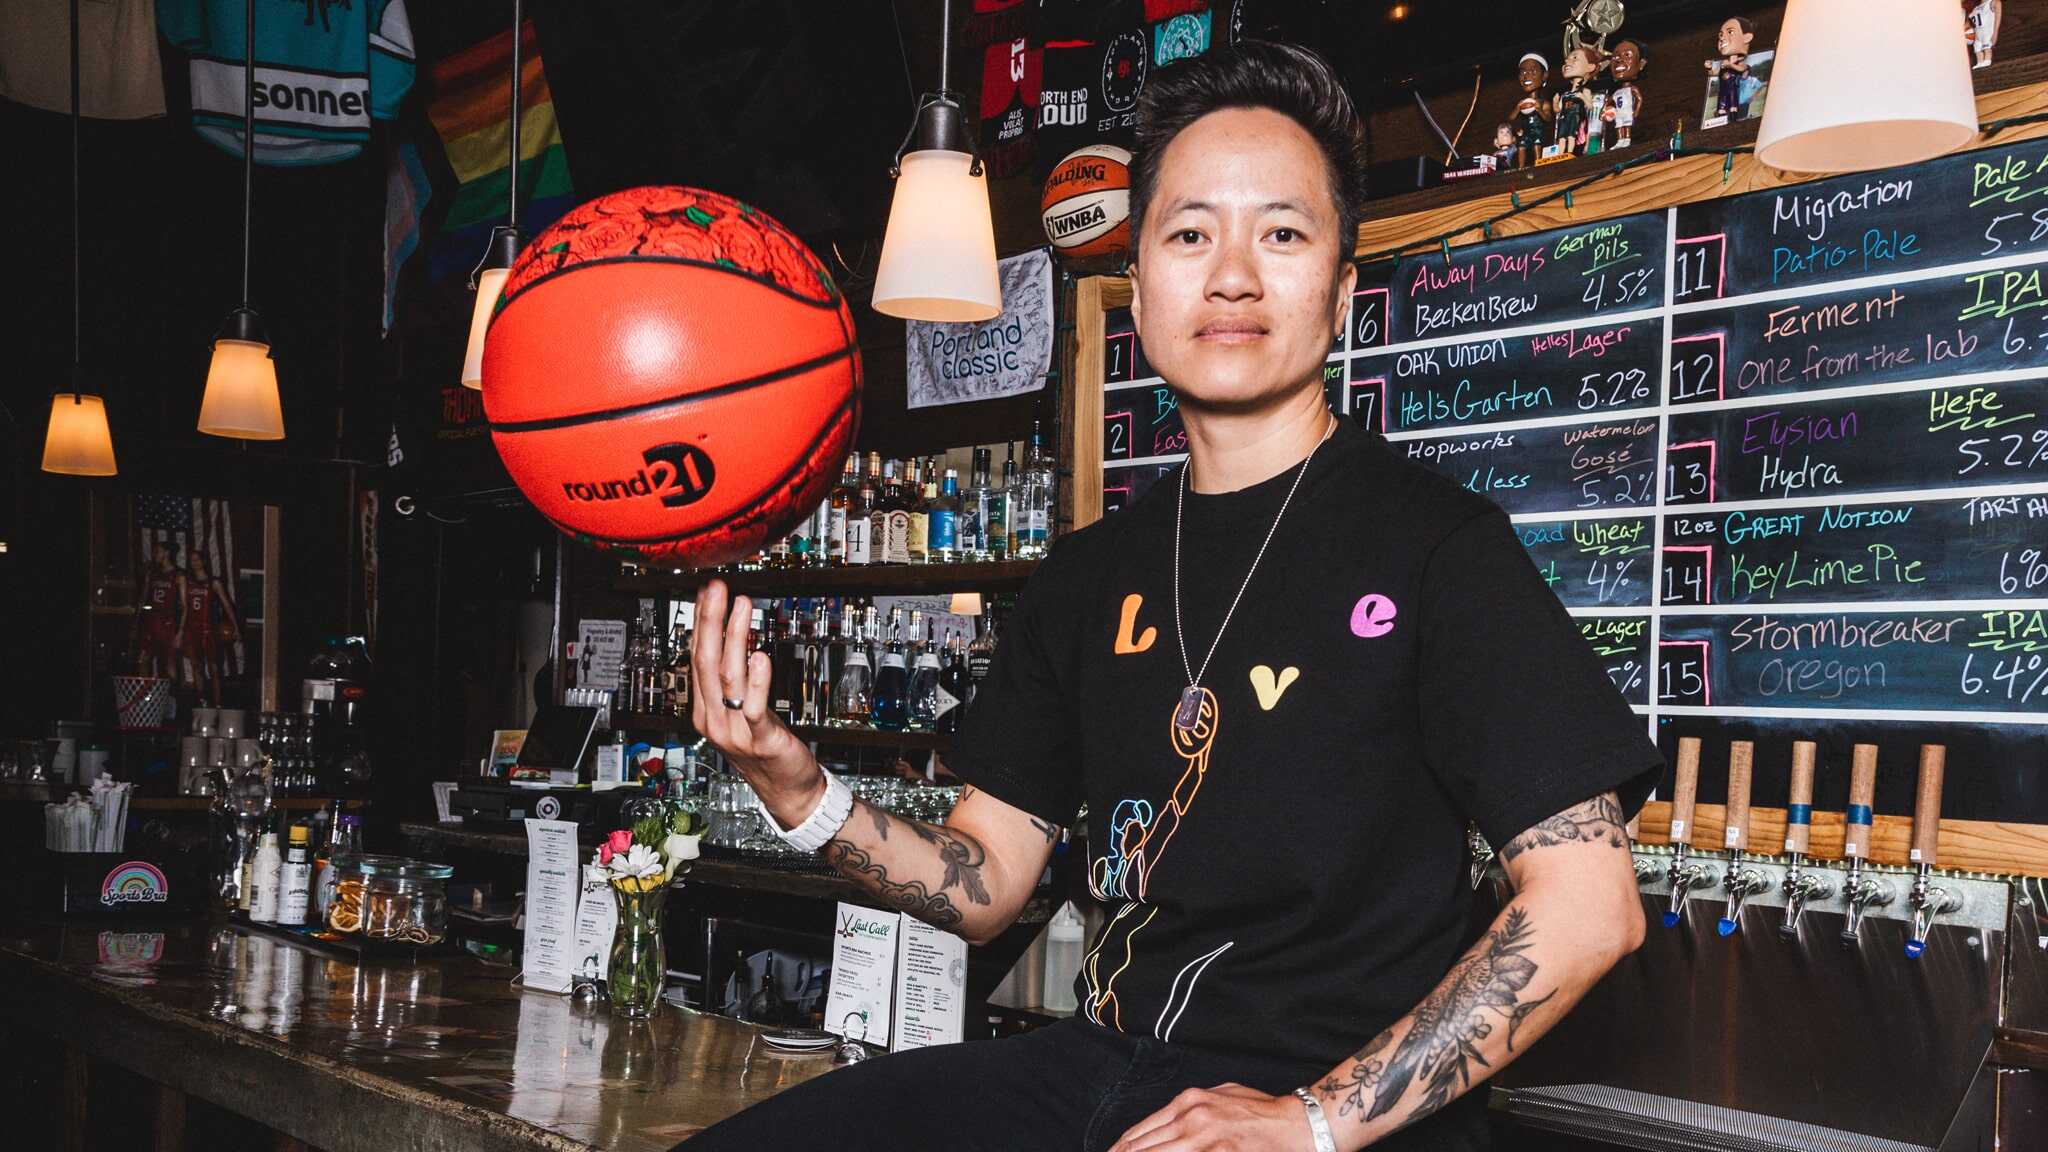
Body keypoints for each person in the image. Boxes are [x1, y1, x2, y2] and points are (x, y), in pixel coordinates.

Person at [679, 40, 1656, 1152]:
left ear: (1341, 293)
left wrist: (1313, 1122)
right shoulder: (1089, 574)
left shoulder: (1441, 549)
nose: (1232, 275)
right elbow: (985, 885)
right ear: (1138, 291)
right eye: (1190, 234)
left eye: (1280, 234)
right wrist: (797, 790)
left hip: (1333, 1107)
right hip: (1102, 1066)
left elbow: (1589, 907)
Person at [178, 552, 238, 705]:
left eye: (197, 559)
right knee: (196, 666)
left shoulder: (214, 583)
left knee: (214, 668)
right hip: (192, 630)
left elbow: (227, 605)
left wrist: (235, 626)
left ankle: (217, 703)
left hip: (209, 630)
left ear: (203, 561)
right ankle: (202, 701)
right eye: (191, 560)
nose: (194, 562)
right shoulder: (188, 582)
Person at [137, 543, 185, 680]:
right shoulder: (152, 573)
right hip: (151, 621)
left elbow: (184, 605)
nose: (155, 555)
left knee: (169, 661)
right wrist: (137, 620)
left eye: (158, 551)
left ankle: (173, 692)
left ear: (167, 553)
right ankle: (144, 692)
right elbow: (143, 599)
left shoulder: (178, 575)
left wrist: (180, 631)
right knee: (143, 658)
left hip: (168, 622)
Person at [1706, 16, 1755, 122]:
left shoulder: (1740, 63)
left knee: (1733, 106)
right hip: (1722, 92)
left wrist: (1730, 65)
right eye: (1721, 35)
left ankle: (1733, 121)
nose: (1722, 38)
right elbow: (1712, 73)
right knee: (1721, 109)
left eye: (1730, 32)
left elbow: (1741, 69)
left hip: (1733, 91)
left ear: (1747, 38)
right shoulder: (1723, 64)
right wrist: (1709, 68)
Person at [1603, 39, 1647, 150]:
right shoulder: (1617, 92)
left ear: (1641, 64)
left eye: (1627, 55)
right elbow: (1609, 102)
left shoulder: (1632, 89)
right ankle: (1620, 141)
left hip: (1627, 111)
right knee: (1618, 125)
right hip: (1619, 112)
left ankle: (1626, 140)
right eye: (1615, 57)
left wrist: (1636, 110)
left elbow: (1639, 99)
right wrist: (1603, 110)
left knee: (1626, 125)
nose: (1619, 59)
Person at [1509, 53, 1551, 168]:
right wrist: (1517, 108)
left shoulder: (1543, 103)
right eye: (1522, 72)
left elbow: (1548, 119)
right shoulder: (1521, 103)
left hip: (1538, 132)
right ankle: (1521, 167)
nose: (1526, 76)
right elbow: (1511, 119)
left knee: (1537, 144)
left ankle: (1538, 164)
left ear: (1544, 75)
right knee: (1521, 145)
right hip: (1527, 132)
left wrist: (1539, 110)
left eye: (1533, 71)